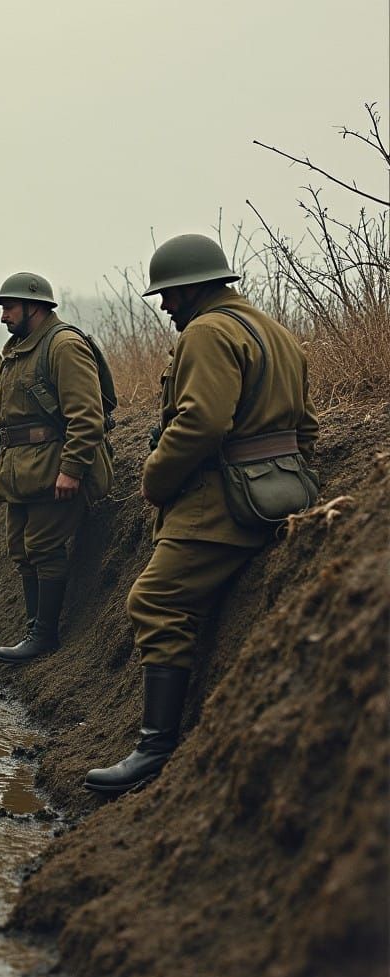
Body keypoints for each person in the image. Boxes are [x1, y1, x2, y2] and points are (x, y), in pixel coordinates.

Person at [85, 234, 319, 794]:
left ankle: (155, 747)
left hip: (222, 501)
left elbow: (202, 423)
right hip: (284, 490)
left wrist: (154, 478)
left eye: (169, 294)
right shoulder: (275, 331)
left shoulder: (207, 332)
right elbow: (306, 426)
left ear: (192, 288)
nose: (165, 306)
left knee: (155, 600)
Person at [0, 272, 113, 662]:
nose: (3, 316)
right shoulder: (17, 349)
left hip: (51, 467)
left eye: (9, 307)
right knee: (21, 550)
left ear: (33, 306)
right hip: (19, 470)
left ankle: (45, 636)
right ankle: (33, 628)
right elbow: (3, 415)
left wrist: (72, 469)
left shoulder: (64, 345)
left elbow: (87, 417)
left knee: (43, 547)